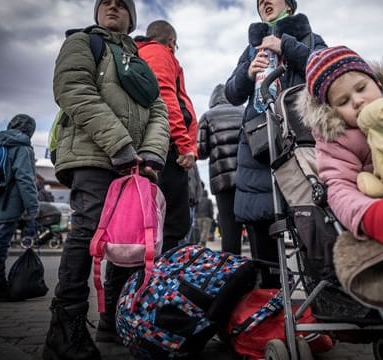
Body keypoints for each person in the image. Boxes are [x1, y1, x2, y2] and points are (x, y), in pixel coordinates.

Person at [43, 0, 170, 358]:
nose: (113, 5)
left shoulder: (141, 62)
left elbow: (158, 111)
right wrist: (120, 144)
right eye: (106, 2)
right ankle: (64, 329)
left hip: (132, 161)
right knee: (88, 231)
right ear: (97, 12)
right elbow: (73, 91)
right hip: (92, 155)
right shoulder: (83, 43)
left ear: (132, 18)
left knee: (127, 237)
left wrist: (150, 154)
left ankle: (113, 320)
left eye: (121, 4)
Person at [225, 0, 326, 288]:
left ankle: (319, 305)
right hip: (256, 148)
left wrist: (287, 47)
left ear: (290, 5)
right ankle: (270, 314)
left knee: (308, 223)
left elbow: (324, 73)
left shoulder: (309, 39)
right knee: (259, 229)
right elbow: (232, 93)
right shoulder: (250, 48)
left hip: (298, 144)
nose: (264, 2)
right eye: (258, 1)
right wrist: (247, 72)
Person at [299, 45, 383, 254]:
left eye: (362, 88)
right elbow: (339, 187)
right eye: (343, 101)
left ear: (379, 84)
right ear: (333, 113)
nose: (357, 101)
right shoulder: (340, 142)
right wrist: (369, 215)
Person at [135, 20, 198, 252]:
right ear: (172, 42)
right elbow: (166, 100)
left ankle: (138, 282)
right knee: (172, 224)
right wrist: (184, 144)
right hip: (167, 148)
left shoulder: (143, 54)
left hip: (157, 145)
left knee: (155, 223)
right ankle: (161, 282)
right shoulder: (160, 54)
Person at [197, 84, 245, 254]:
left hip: (222, 180)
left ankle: (231, 271)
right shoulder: (244, 111)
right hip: (247, 177)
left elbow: (201, 152)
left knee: (229, 229)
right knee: (254, 226)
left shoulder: (208, 117)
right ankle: (259, 272)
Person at [0, 114, 39, 301]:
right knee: (0, 247)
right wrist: (33, 208)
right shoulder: (22, 147)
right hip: (8, 207)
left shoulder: (0, 142)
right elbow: (25, 180)